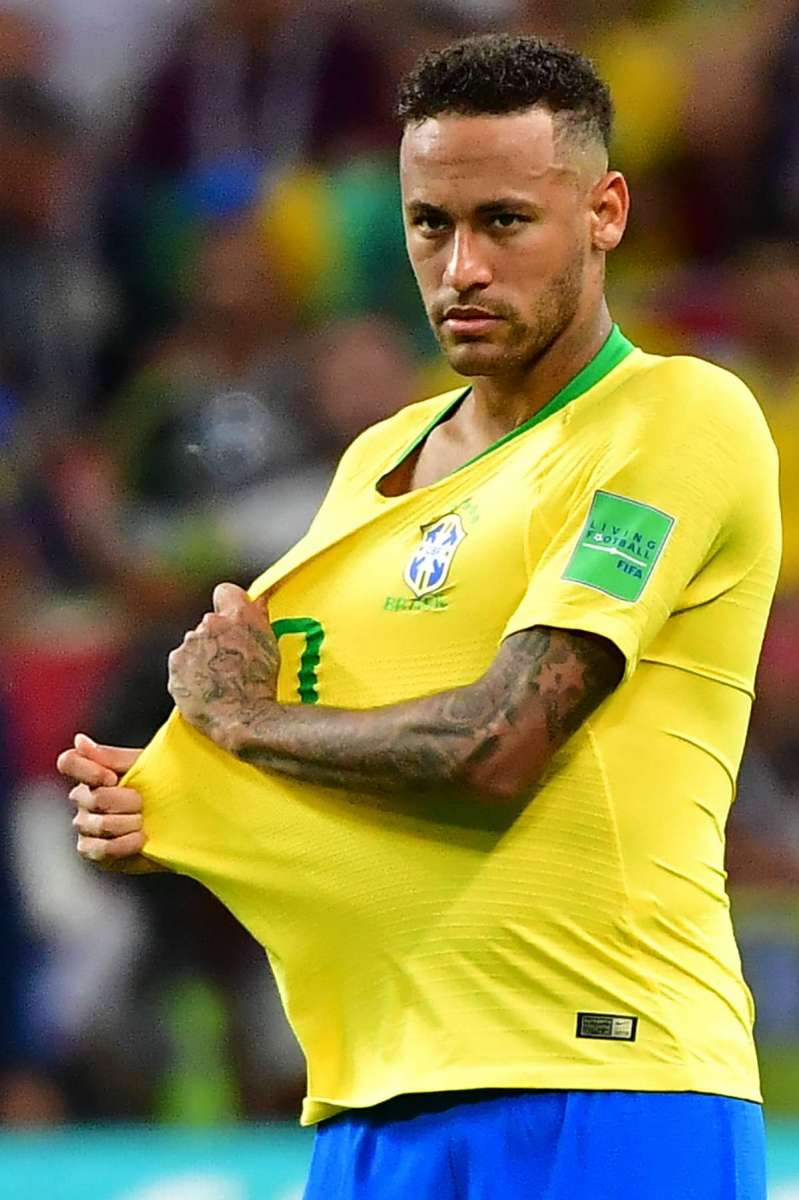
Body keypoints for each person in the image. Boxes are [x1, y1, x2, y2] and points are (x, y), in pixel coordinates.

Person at [57, 34, 780, 1200]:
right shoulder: (375, 464)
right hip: (370, 1105)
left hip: (604, 1090)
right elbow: (344, 748)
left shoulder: (674, 417)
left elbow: (497, 746)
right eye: (429, 224)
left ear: (604, 212)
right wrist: (172, 798)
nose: (459, 269)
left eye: (504, 222)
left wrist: (236, 730)